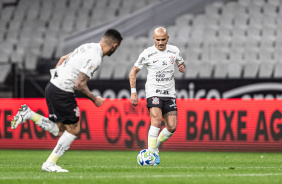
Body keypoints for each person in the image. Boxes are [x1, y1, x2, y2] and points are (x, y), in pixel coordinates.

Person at [11, 29, 123, 172]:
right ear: (114, 45)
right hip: (62, 91)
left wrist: (59, 76)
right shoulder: (95, 58)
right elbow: (79, 84)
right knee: (74, 130)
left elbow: (63, 58)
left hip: (52, 86)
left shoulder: (87, 46)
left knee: (59, 130)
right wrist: (95, 99)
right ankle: (49, 164)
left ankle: (29, 114)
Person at [129, 27, 185, 166]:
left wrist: (182, 66)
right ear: (154, 39)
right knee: (156, 120)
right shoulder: (147, 53)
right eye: (158, 40)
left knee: (171, 127)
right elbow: (133, 72)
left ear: (168, 38)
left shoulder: (174, 51)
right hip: (153, 92)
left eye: (163, 40)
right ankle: (151, 153)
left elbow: (181, 63)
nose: (160, 42)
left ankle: (155, 148)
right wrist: (133, 92)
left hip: (169, 94)